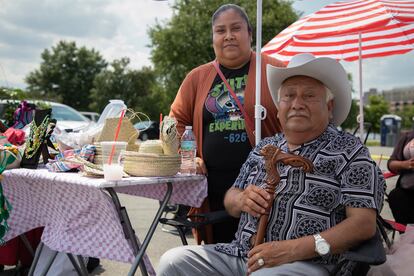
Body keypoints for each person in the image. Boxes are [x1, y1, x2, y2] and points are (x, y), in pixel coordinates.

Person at [158, 53, 385, 276]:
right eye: (289, 96)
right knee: (173, 262)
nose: (297, 104)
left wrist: (293, 250)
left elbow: (363, 224)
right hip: (242, 256)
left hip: (310, 262)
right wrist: (241, 199)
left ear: (329, 106)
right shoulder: (264, 147)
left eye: (309, 96)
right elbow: (231, 200)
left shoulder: (350, 151)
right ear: (278, 109)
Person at [169, 4, 284, 243]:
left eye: (236, 28)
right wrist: (188, 155)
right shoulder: (197, 78)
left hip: (268, 186)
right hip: (213, 188)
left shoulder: (277, 71)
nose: (228, 35)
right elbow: (175, 122)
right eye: (220, 30)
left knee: (264, 249)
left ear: (250, 34)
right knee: (219, 251)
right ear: (213, 38)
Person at [387, 130, 414, 225]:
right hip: (407, 190)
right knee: (395, 196)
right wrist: (405, 164)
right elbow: (391, 163)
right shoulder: (407, 136)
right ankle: (407, 235)